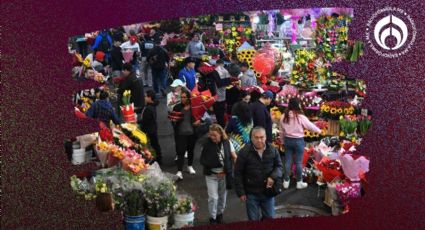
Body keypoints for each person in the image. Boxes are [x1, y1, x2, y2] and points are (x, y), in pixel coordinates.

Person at [234, 126, 283, 221]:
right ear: (251, 138)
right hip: (251, 193)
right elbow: (238, 173)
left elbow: (279, 167)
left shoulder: (273, 150)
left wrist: (272, 177)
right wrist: (241, 192)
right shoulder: (244, 152)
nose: (259, 140)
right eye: (256, 137)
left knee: (269, 218)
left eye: (262, 137)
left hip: (268, 192)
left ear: (266, 137)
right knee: (253, 220)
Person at [279, 97, 321, 189]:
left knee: (287, 162)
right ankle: (299, 182)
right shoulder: (301, 117)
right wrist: (319, 131)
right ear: (298, 105)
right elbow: (310, 126)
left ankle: (286, 181)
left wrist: (282, 141)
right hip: (298, 141)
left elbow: (281, 132)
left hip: (288, 140)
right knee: (298, 162)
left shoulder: (283, 116)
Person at [200, 124, 237, 224]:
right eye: (210, 135)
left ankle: (219, 214)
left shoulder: (228, 143)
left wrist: (235, 170)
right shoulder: (206, 144)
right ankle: (212, 218)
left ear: (220, 134)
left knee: (222, 197)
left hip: (224, 175)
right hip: (211, 175)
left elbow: (234, 157)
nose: (212, 137)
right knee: (213, 197)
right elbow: (203, 159)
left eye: (215, 135)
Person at [170, 90, 200, 180]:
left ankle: (189, 166)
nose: (182, 99)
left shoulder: (194, 107)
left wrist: (199, 121)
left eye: (184, 97)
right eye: (181, 97)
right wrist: (174, 121)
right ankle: (179, 171)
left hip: (191, 133)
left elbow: (199, 117)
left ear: (188, 98)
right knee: (181, 152)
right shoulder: (177, 107)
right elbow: (172, 119)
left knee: (191, 150)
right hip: (180, 134)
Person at [140, 90, 162, 164]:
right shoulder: (150, 105)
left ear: (150, 98)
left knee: (153, 145)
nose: (144, 97)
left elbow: (144, 121)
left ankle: (158, 159)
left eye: (146, 96)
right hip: (152, 128)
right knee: (155, 144)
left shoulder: (149, 108)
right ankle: (158, 158)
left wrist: (137, 122)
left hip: (150, 130)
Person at [210, 59, 232, 128]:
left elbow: (212, 86)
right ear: (222, 64)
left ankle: (220, 128)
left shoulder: (214, 72)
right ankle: (222, 127)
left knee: (218, 115)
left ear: (216, 64)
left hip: (216, 97)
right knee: (222, 114)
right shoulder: (226, 71)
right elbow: (229, 83)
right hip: (223, 96)